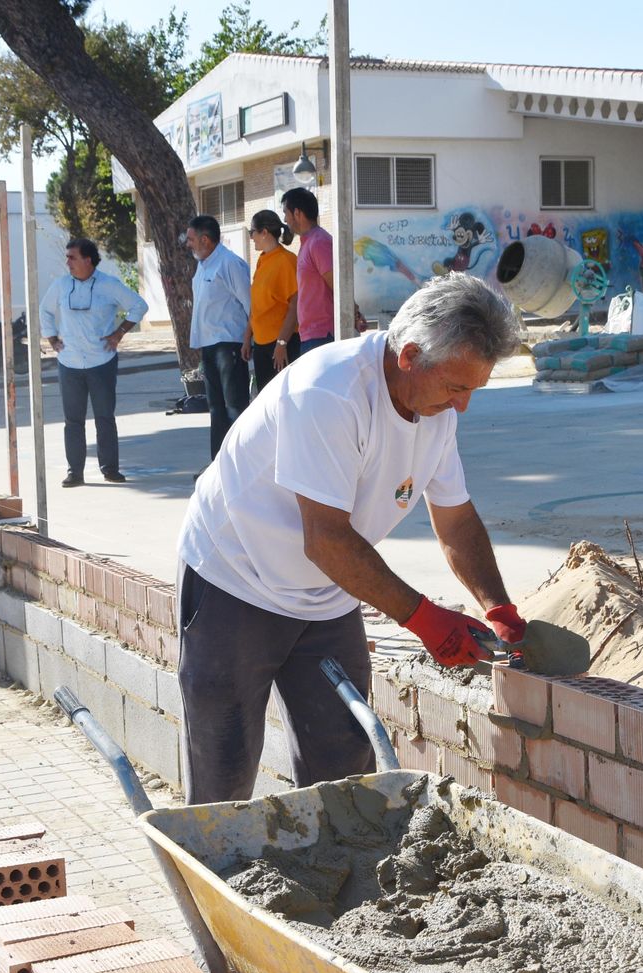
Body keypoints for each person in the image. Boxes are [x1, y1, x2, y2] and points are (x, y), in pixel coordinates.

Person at [174, 273, 528, 804]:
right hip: (236, 580)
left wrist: (496, 605)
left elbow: (455, 518)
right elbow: (327, 540)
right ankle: (214, 881)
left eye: (472, 390)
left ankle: (334, 880)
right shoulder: (329, 391)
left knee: (346, 770)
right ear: (409, 356)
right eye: (457, 388)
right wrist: (424, 618)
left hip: (327, 595)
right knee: (223, 775)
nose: (463, 407)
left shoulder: (434, 410)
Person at [38, 237, 148, 486]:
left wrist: (119, 333)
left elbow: (139, 306)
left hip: (102, 361)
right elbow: (44, 310)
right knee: (73, 420)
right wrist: (52, 337)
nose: (68, 263)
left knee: (104, 417)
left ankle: (110, 469)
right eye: (67, 257)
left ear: (88, 260)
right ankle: (74, 472)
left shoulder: (109, 285)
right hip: (70, 362)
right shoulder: (61, 285)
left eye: (72, 257)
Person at [186, 214, 252, 459]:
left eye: (192, 239)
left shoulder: (229, 263)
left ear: (205, 239)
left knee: (235, 407)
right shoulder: (202, 265)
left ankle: (241, 462)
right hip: (210, 345)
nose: (188, 244)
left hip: (230, 343)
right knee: (216, 409)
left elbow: (250, 305)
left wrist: (247, 340)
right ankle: (218, 466)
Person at [279, 187, 365, 355]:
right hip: (313, 336)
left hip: (323, 336)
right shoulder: (309, 242)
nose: (285, 219)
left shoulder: (318, 242)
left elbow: (339, 286)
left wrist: (354, 314)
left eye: (286, 213)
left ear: (297, 213)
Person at [241, 209, 299, 396]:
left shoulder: (287, 261)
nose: (251, 238)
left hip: (281, 343)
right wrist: (247, 337)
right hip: (261, 343)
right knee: (265, 399)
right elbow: (257, 304)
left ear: (264, 232)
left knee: (282, 400)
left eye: (252, 232)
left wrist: (281, 343)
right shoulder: (262, 260)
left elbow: (294, 306)